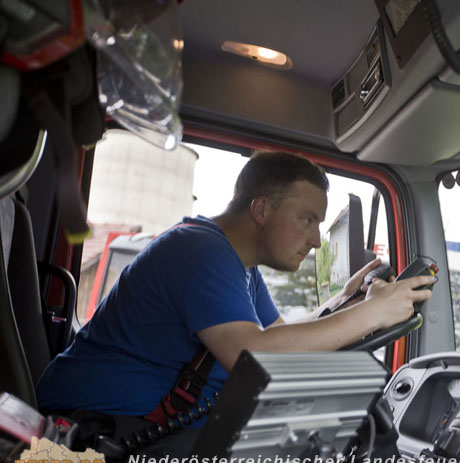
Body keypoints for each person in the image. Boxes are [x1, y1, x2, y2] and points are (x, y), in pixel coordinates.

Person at [35, 151, 434, 420]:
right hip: (93, 434)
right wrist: (373, 312)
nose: (316, 240)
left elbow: (277, 337)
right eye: (307, 219)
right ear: (261, 209)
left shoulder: (237, 264)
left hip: (142, 430)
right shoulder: (199, 251)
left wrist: (345, 301)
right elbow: (253, 357)